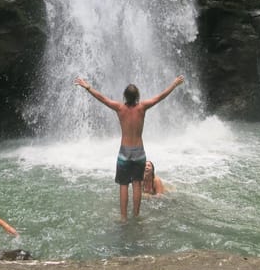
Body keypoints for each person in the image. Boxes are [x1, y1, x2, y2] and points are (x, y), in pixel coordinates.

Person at [74, 75, 184, 221]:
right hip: (139, 151)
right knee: (137, 183)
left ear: (125, 96)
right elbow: (160, 97)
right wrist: (174, 84)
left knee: (123, 184)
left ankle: (123, 217)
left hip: (124, 152)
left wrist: (88, 87)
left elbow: (102, 98)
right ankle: (136, 215)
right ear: (137, 96)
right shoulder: (142, 107)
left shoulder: (119, 108)